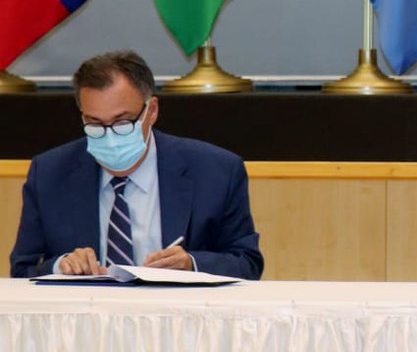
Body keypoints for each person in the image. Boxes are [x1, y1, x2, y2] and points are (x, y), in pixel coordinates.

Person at [9, 50, 264, 279]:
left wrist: (191, 264)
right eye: (95, 123)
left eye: (122, 122)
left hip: (177, 313)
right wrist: (61, 266)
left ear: (151, 111)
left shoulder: (216, 171)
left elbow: (247, 263)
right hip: (87, 314)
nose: (109, 136)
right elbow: (22, 269)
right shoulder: (50, 173)